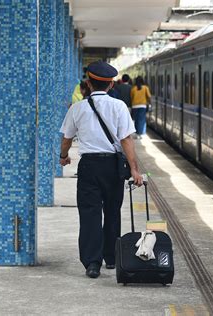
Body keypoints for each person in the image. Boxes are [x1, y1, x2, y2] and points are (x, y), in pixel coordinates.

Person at [59, 61, 144, 279]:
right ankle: (112, 257)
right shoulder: (119, 107)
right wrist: (134, 169)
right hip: (113, 166)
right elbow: (126, 140)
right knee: (112, 212)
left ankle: (92, 263)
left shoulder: (77, 108)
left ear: (88, 82)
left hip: (89, 166)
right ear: (111, 85)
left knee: (90, 214)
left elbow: (66, 138)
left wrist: (64, 156)